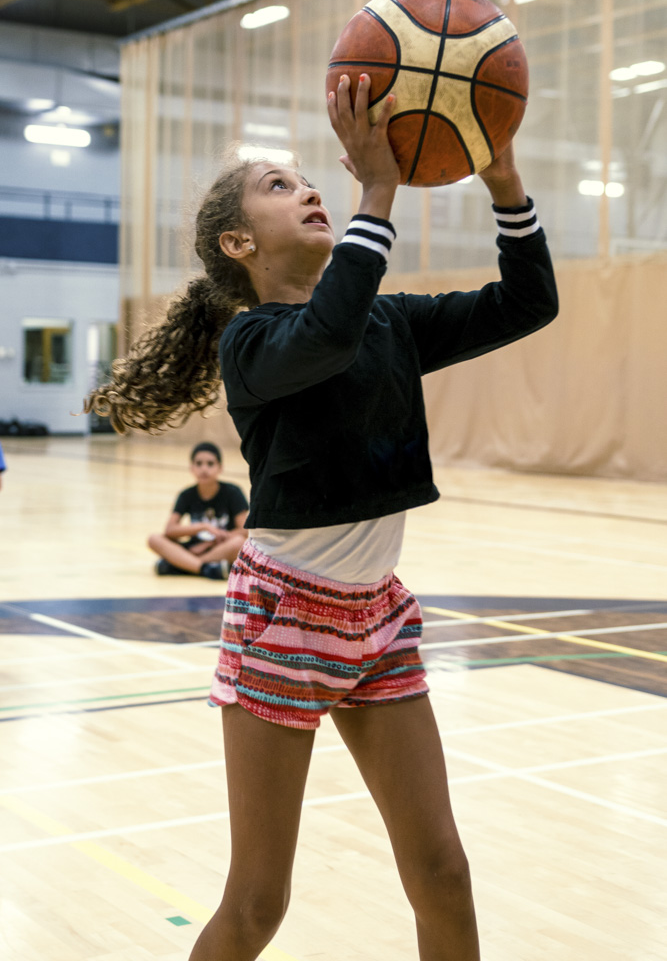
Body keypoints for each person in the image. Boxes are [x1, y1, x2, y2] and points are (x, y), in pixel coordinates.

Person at [85, 73, 558, 961]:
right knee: (260, 901)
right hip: (282, 621)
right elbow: (325, 335)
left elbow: (528, 302)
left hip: (376, 617)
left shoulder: (387, 322)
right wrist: (377, 190)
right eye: (278, 185)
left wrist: (504, 185)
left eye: (310, 180)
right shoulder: (252, 344)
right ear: (238, 243)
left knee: (442, 872)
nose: (307, 189)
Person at [148, 441, 248, 579]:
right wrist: (203, 526)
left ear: (220, 468)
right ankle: (207, 569)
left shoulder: (233, 492)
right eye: (199, 463)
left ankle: (180, 566)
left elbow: (245, 530)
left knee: (239, 542)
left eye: (210, 464)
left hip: (220, 547)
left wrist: (209, 543)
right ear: (192, 468)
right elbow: (170, 530)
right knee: (154, 539)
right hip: (193, 548)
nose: (204, 469)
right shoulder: (186, 494)